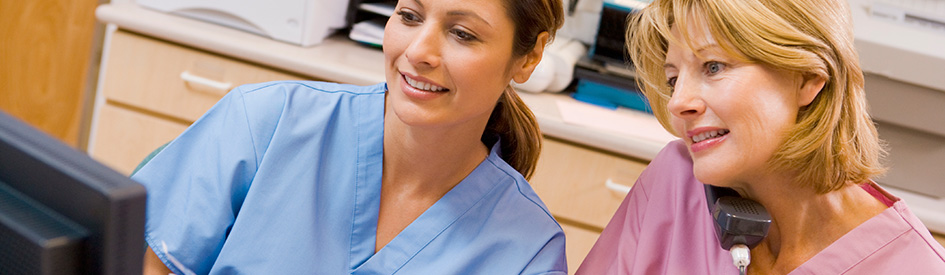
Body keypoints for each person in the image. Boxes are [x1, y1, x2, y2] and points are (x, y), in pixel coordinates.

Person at [135, 0, 569, 273]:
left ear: (528, 56)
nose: (418, 52)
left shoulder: (526, 252)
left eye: (462, 34)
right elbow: (145, 262)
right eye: (409, 16)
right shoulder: (267, 123)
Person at [577, 0, 945, 274]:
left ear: (807, 79)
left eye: (713, 66)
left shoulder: (911, 264)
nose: (678, 102)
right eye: (673, 79)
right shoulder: (675, 181)